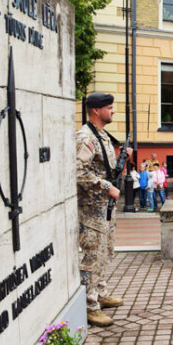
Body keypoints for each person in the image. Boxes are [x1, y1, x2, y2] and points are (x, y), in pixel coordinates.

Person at [76, 92, 132, 327]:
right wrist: (107, 186)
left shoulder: (104, 136)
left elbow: (105, 168)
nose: (113, 111)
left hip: (104, 208)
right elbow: (79, 172)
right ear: (96, 111)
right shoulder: (85, 137)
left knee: (104, 252)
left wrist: (123, 159)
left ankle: (100, 293)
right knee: (92, 256)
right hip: (91, 209)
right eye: (109, 108)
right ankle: (90, 306)